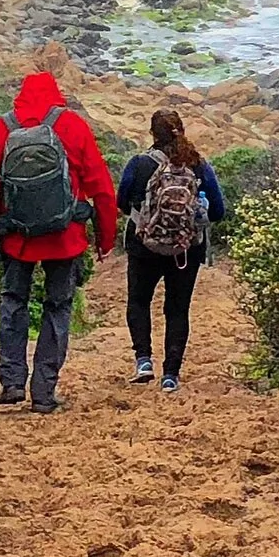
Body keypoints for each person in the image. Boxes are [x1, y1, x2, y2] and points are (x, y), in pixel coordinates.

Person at [0, 68, 117, 414]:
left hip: (17, 238)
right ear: (56, 94)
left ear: (21, 96)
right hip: (65, 238)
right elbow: (103, 189)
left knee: (13, 301)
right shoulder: (73, 126)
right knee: (57, 307)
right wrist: (105, 238)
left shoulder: (3, 128)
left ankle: (13, 381)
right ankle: (44, 391)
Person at [118, 105, 228, 394]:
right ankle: (171, 375)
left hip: (144, 246)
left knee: (139, 302)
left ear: (152, 133)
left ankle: (143, 361)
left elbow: (121, 202)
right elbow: (218, 210)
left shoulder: (139, 164)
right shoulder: (199, 166)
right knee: (177, 309)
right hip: (185, 250)